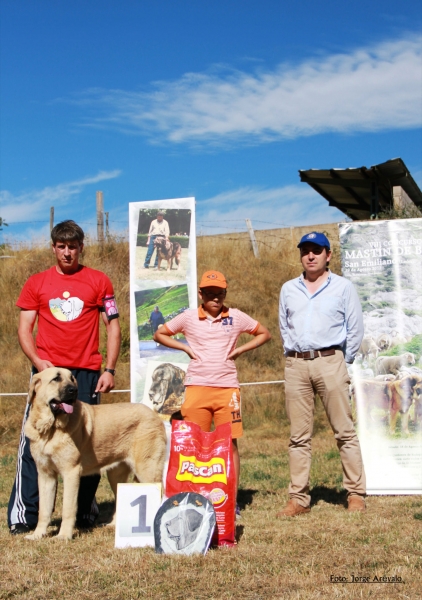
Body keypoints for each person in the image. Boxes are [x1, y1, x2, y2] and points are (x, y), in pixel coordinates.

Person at [8, 220, 121, 534]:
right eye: (61, 246)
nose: (67, 253)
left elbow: (112, 326)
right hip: (49, 375)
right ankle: (25, 517)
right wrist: (38, 363)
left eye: (73, 246)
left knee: (89, 445)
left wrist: (109, 369)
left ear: (81, 247)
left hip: (85, 373)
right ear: (54, 247)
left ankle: (84, 514)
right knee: (34, 444)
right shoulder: (37, 283)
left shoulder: (100, 281)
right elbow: (24, 329)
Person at [154, 270, 271, 514]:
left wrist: (240, 350)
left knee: (229, 444)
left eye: (220, 294)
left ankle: (232, 499)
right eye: (210, 293)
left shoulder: (236, 316)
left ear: (225, 293)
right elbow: (160, 333)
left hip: (228, 390)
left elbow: (264, 333)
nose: (216, 298)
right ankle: (195, 496)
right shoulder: (187, 317)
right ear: (201, 293)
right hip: (197, 387)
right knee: (193, 444)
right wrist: (184, 347)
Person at [278, 231, 366, 517]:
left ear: (329, 255)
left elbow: (355, 329)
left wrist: (342, 359)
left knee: (344, 431)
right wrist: (292, 358)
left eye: (317, 250)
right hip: (296, 365)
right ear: (301, 255)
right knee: (298, 437)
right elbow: (284, 327)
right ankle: (299, 499)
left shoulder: (343, 287)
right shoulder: (288, 289)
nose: (311, 255)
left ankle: (355, 494)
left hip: (330, 361)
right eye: (306, 251)